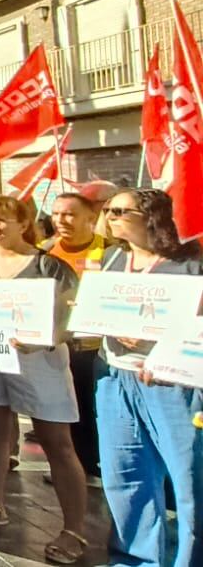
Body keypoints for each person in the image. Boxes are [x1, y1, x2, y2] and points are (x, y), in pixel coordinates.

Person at [0, 196, 86, 565]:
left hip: (40, 363)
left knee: (57, 443)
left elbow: (74, 317)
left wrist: (47, 338)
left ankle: (74, 530)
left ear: (23, 224)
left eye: (2, 219)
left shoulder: (50, 265)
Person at [95, 187, 202, 567]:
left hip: (172, 385)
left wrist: (162, 345)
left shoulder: (190, 263)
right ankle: (135, 560)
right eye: (108, 210)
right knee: (125, 477)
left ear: (152, 217)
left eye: (120, 211)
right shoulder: (112, 258)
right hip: (116, 378)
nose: (110, 217)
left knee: (190, 482)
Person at [44, 191, 118, 480]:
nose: (61, 220)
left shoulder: (112, 252)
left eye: (70, 214)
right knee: (67, 410)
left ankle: (102, 466)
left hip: (97, 347)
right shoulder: (43, 252)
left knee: (97, 410)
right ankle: (76, 467)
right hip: (58, 347)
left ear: (91, 218)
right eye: (56, 213)